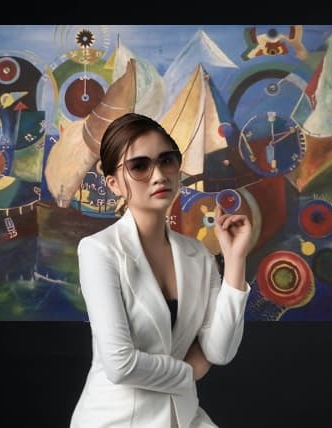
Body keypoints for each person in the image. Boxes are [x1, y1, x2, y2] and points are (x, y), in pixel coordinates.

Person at [70, 113, 253, 428]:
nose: (158, 175)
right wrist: (189, 372)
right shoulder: (99, 251)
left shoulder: (198, 254)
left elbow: (219, 351)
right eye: (139, 166)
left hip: (183, 415)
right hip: (118, 420)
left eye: (166, 160)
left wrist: (235, 259)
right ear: (113, 184)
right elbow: (120, 364)